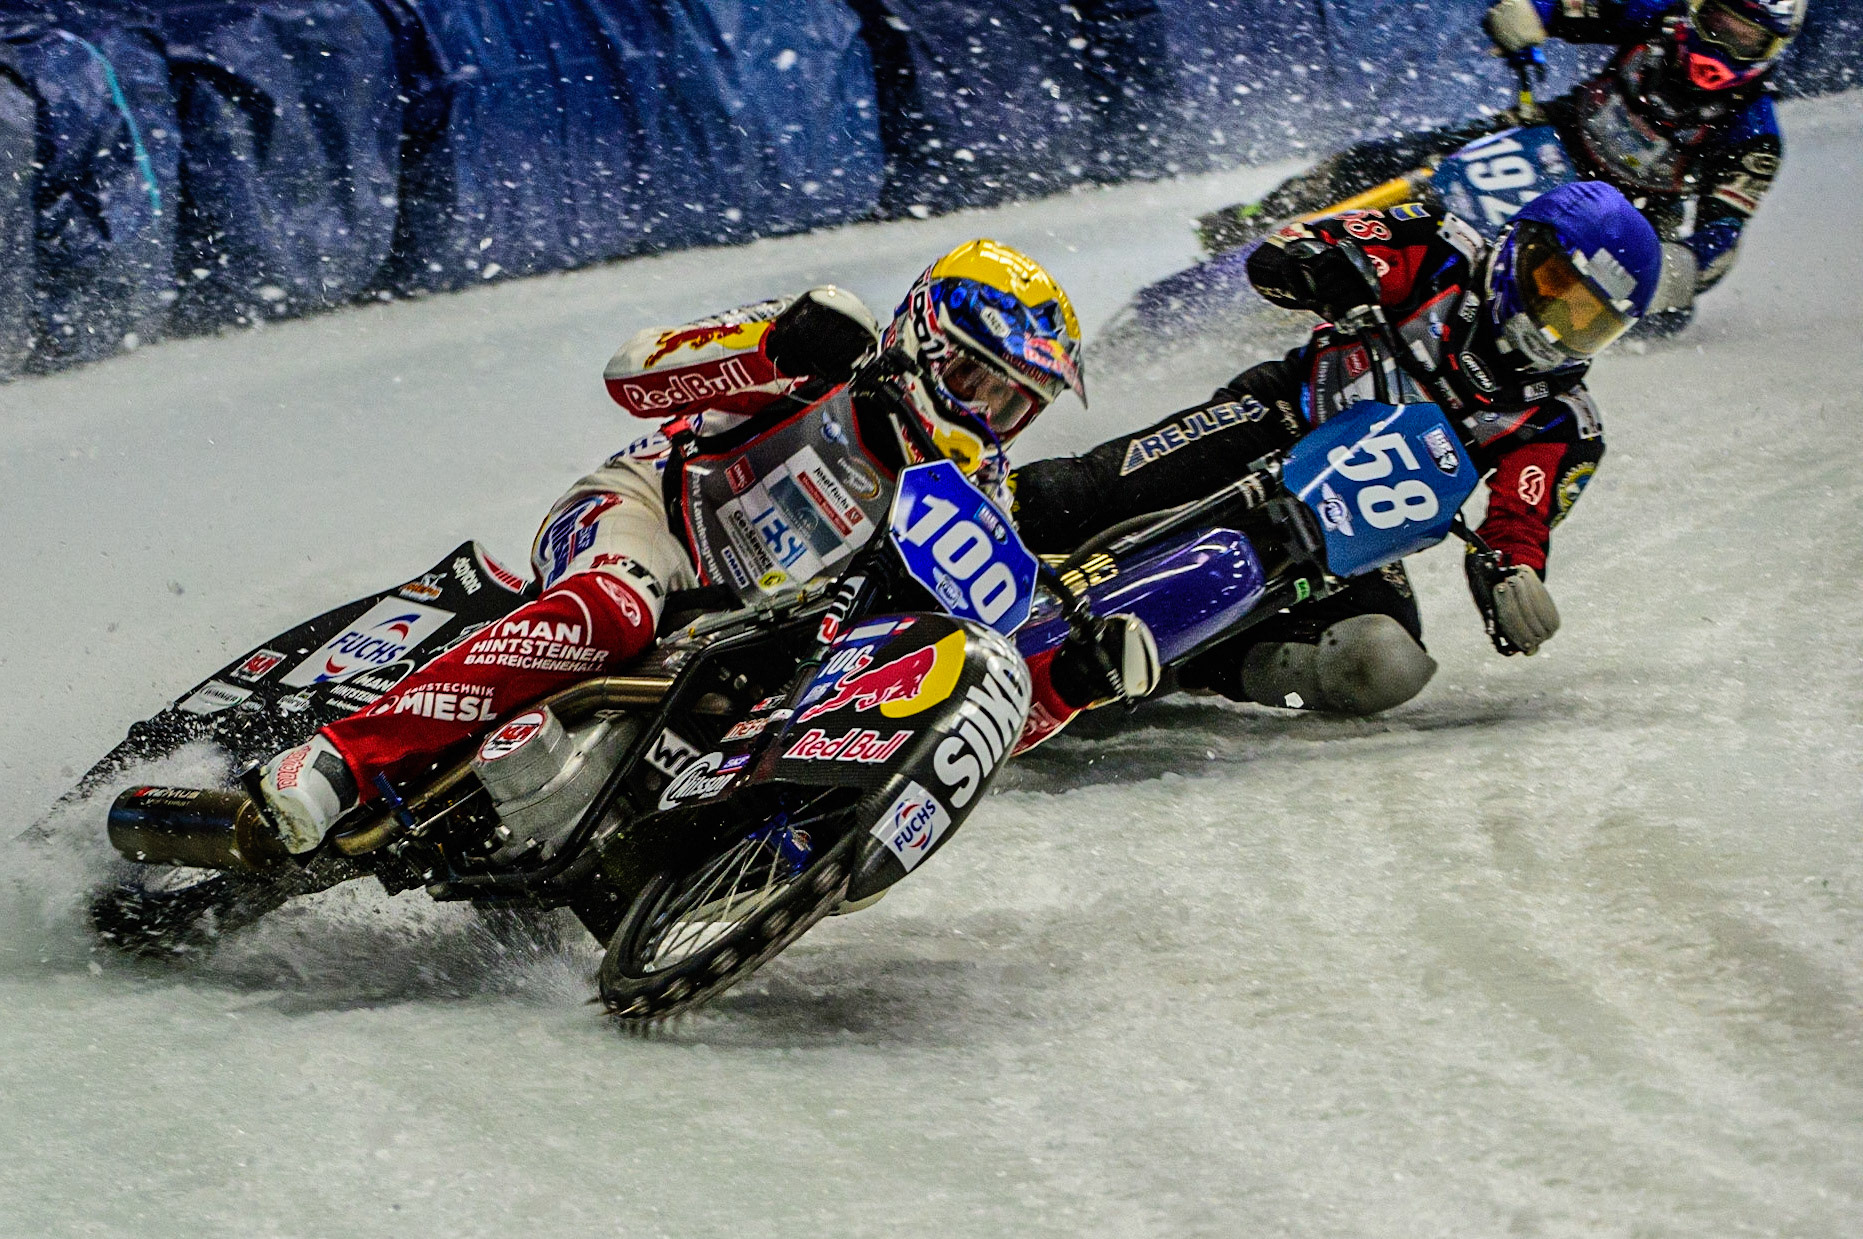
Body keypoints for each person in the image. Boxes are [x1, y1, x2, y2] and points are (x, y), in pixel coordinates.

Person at [253, 240, 1148, 854]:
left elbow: (948, 702)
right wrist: (774, 345)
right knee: (613, 611)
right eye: (971, 377)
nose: (984, 411)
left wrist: (1063, 686)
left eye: (1010, 401)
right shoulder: (834, 349)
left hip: (754, 635)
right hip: (651, 516)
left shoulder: (979, 505)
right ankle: (340, 758)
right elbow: (633, 371)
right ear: (920, 333)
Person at [1012, 181, 1661, 716]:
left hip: (1354, 538)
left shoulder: (1566, 423)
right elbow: (1282, 253)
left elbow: (1519, 524)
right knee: (1064, 494)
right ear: (1520, 246)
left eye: (1587, 320)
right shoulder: (1438, 247)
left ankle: (1198, 666)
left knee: (1379, 663)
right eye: (1553, 286)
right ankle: (967, 535)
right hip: (1274, 419)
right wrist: (1324, 271)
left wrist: (1512, 580)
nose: (1554, 325)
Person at [1199, 0, 1799, 336]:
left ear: (1772, 51)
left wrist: (1678, 269)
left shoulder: (1755, 135)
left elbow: (1722, 237)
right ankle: (1255, 216)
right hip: (1552, 130)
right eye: (1719, 24)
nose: (1722, 48)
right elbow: (1565, 6)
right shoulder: (1656, 13)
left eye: (1746, 39)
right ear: (1696, 10)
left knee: (1653, 319)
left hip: (1624, 210)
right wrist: (1528, 16)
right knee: (1371, 161)